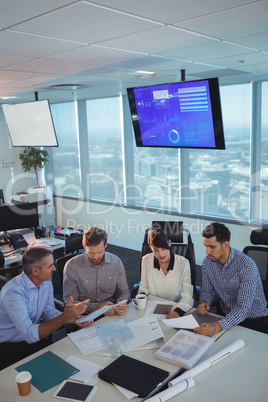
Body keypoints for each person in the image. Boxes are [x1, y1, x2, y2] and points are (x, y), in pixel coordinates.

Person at [0, 247, 90, 370]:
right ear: (35, 270)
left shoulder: (45, 281)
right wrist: (64, 317)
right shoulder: (14, 293)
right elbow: (28, 333)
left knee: (65, 364)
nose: (54, 268)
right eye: (50, 266)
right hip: (9, 347)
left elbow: (48, 311)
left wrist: (73, 319)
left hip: (32, 338)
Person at [194, 222, 268, 337]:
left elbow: (243, 309)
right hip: (226, 312)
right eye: (205, 246)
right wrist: (204, 301)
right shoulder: (207, 262)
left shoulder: (247, 266)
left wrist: (219, 326)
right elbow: (207, 291)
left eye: (212, 247)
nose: (207, 252)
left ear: (225, 245)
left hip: (253, 318)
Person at [63, 227, 130, 316]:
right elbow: (70, 303)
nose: (96, 257)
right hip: (84, 315)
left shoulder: (116, 262)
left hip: (111, 311)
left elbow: (124, 291)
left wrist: (122, 301)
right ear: (84, 246)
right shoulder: (72, 266)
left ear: (105, 245)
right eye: (91, 253)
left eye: (100, 252)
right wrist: (97, 307)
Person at [139, 229, 194, 318]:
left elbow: (188, 295)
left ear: (169, 243)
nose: (161, 254)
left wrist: (178, 311)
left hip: (174, 307)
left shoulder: (183, 263)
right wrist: (141, 297)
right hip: (151, 308)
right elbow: (144, 285)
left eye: (164, 249)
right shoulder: (146, 260)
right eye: (156, 250)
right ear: (150, 247)